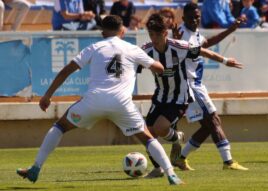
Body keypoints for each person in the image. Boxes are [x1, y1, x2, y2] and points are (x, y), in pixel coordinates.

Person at [16, 15, 184, 185]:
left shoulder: (94, 47)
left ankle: (35, 168)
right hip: (121, 104)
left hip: (93, 102)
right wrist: (149, 62)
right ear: (123, 31)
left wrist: (47, 95)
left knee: (60, 126)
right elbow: (159, 68)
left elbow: (67, 70)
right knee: (148, 139)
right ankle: (171, 175)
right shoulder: (132, 49)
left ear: (103, 32)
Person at [141, 13, 243, 178]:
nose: (154, 39)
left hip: (179, 97)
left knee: (160, 128)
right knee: (147, 134)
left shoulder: (179, 46)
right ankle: (158, 168)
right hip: (160, 96)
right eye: (151, 35)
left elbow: (204, 51)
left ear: (165, 34)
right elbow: (130, 61)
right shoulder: (146, 50)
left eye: (157, 35)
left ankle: (176, 139)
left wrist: (225, 61)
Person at [170, 2, 249, 171]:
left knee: (208, 126)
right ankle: (228, 162)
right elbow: (202, 51)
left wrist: (231, 29)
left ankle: (180, 158)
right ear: (183, 18)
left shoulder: (194, 33)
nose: (195, 20)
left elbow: (206, 44)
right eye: (191, 18)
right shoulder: (183, 34)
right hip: (190, 85)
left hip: (196, 84)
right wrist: (225, 61)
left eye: (197, 17)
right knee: (214, 121)